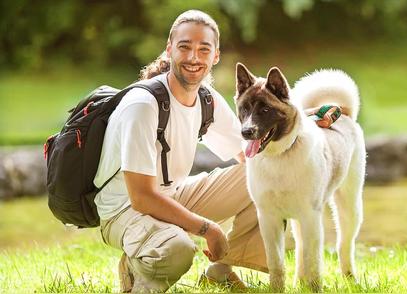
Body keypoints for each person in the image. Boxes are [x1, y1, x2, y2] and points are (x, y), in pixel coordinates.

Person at [94, 9, 341, 292]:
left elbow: (251, 149)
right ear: (169, 49)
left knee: (262, 175)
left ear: (216, 56)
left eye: (204, 49)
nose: (193, 57)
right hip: (125, 210)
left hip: (171, 195)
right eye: (185, 47)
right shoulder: (143, 106)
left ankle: (220, 272)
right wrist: (207, 229)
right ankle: (138, 266)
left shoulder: (205, 99)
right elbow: (141, 197)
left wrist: (300, 118)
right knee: (177, 250)